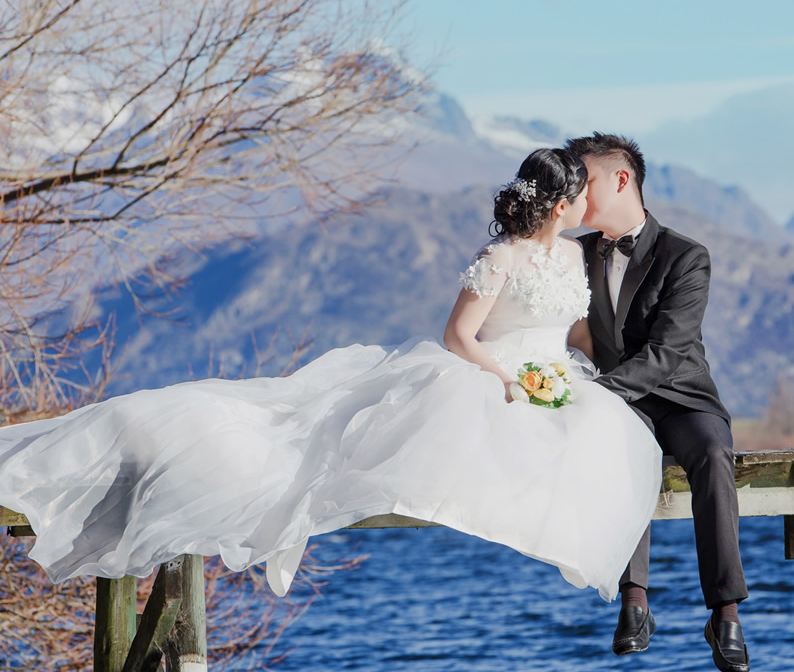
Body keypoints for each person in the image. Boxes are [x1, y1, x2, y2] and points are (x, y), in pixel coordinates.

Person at [0, 148, 661, 606]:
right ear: (559, 200)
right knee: (323, 438)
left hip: (558, 378)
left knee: (605, 445)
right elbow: (458, 337)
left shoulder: (579, 256)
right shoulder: (499, 257)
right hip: (491, 373)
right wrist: (507, 382)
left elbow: (575, 329)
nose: (585, 203)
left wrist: (574, 375)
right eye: (577, 194)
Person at [565, 132, 750, 672]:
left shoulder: (687, 256)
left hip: (681, 394)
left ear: (621, 180)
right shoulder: (573, 253)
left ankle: (725, 611)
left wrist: (597, 392)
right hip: (622, 404)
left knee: (714, 456)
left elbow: (669, 352)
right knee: (619, 450)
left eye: (585, 181)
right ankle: (634, 603)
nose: (576, 193)